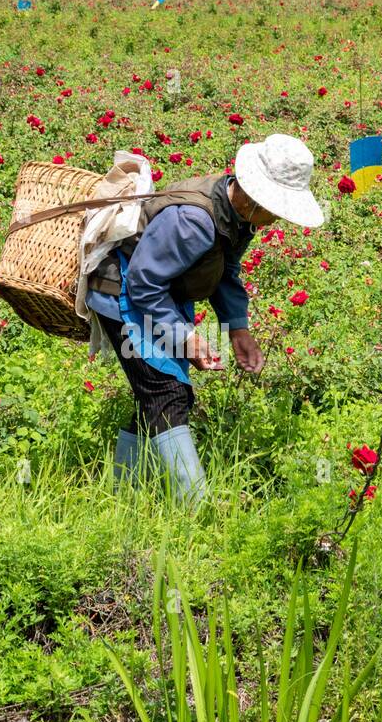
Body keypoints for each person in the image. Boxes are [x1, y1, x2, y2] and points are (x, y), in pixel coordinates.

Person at [85, 133, 325, 507]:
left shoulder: (237, 215)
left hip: (159, 295)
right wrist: (185, 338)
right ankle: (196, 508)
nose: (277, 218)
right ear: (252, 194)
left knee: (154, 394)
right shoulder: (195, 221)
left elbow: (223, 270)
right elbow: (144, 284)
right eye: (275, 207)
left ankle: (121, 495)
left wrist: (237, 329)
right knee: (167, 393)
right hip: (125, 293)